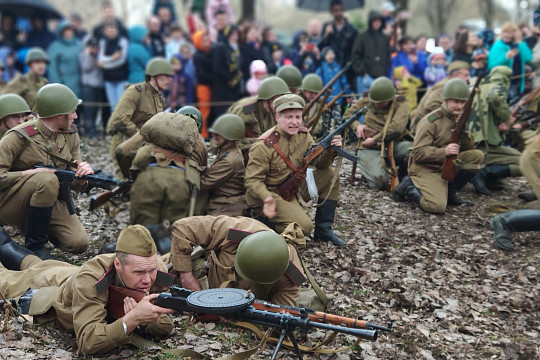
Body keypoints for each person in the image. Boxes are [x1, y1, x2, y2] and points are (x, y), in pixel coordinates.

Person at [0, 225, 176, 355]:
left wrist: (147, 318)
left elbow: (165, 327)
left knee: (36, 265)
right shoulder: (91, 279)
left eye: (151, 270)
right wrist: (131, 320)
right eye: (139, 272)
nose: (147, 279)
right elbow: (88, 343)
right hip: (50, 286)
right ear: (118, 265)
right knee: (7, 279)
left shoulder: (156, 269)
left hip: (71, 275)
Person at [0, 84, 92, 259]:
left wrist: (81, 178)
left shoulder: (70, 135)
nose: (76, 116)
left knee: (79, 243)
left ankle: (36, 227)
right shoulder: (18, 136)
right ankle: (35, 247)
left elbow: (73, 178)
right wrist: (28, 174)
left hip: (46, 201)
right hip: (10, 202)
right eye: (72, 111)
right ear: (58, 114)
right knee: (46, 179)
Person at [245, 94, 346, 246]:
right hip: (269, 196)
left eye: (298, 117)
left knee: (330, 175)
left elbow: (320, 165)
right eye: (289, 117)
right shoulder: (264, 145)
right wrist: (267, 198)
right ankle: (263, 225)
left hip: (292, 189)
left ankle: (323, 230)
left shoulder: (303, 136)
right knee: (304, 227)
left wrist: (331, 149)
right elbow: (252, 181)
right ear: (277, 117)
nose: (295, 122)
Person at [392, 79, 484, 213]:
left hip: (446, 164)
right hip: (426, 167)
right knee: (436, 207)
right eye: (455, 102)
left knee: (477, 156)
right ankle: (408, 187)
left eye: (462, 102)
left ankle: (450, 192)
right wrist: (444, 152)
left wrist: (463, 130)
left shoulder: (458, 118)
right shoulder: (431, 121)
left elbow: (469, 147)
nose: (459, 106)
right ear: (445, 100)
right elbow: (418, 154)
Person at [170, 215, 306, 306]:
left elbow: (282, 312)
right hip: (202, 278)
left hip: (247, 302)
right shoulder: (232, 231)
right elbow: (181, 228)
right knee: (160, 276)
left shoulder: (291, 276)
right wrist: (185, 275)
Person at [129, 113, 201, 241]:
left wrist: (131, 176)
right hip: (181, 180)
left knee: (142, 231)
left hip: (147, 177)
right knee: (174, 231)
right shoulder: (197, 142)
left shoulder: (151, 137)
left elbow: (122, 152)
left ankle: (139, 254)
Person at [106, 57, 173, 178]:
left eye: (170, 76)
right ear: (153, 76)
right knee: (125, 184)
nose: (170, 80)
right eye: (166, 76)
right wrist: (141, 138)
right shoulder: (135, 92)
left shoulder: (159, 98)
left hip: (145, 147)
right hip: (125, 144)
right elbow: (119, 120)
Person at [345, 77, 411, 190]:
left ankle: (404, 176)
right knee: (379, 182)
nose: (376, 104)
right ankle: (374, 170)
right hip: (369, 147)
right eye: (374, 101)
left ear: (389, 98)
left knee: (414, 150)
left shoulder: (401, 102)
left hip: (393, 143)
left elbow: (396, 128)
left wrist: (375, 139)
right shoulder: (368, 98)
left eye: (380, 102)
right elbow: (348, 114)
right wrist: (357, 126)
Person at [468, 66, 523, 195]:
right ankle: (484, 173)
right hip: (484, 144)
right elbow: (495, 97)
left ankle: (492, 179)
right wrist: (506, 119)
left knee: (500, 183)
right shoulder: (497, 86)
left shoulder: (480, 87)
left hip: (473, 141)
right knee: (526, 162)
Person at [227, 76, 290, 157]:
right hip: (236, 154)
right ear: (269, 98)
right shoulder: (245, 110)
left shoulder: (275, 111)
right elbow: (231, 141)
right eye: (279, 100)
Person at [201, 114, 247, 216]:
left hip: (226, 206)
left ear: (229, 137)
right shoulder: (227, 151)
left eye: (218, 134)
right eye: (214, 133)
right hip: (224, 201)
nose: (214, 136)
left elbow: (204, 184)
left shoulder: (229, 160)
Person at [411, 60, 470, 135]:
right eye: (466, 75)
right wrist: (450, 118)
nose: (468, 79)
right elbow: (430, 105)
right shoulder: (445, 86)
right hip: (423, 128)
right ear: (455, 75)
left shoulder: (449, 85)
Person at [318, 0, 358, 90]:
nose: (338, 13)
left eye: (340, 10)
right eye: (336, 10)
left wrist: (355, 71)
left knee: (347, 99)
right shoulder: (327, 27)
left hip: (347, 70)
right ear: (331, 12)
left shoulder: (352, 30)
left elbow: (356, 52)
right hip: (331, 70)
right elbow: (319, 48)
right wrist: (326, 35)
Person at [488, 22, 532, 99]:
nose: (507, 35)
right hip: (503, 84)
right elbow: (492, 66)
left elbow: (528, 58)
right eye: (505, 32)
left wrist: (520, 42)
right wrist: (506, 58)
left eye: (510, 33)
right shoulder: (498, 46)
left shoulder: (517, 45)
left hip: (518, 83)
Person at [351, 10, 391, 94]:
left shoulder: (384, 38)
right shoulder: (362, 37)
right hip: (365, 77)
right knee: (364, 103)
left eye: (379, 21)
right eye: (375, 21)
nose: (377, 23)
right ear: (370, 22)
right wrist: (363, 72)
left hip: (381, 77)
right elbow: (355, 56)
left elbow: (387, 57)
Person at [316, 47, 351, 137]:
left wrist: (348, 94)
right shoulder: (321, 69)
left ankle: (338, 136)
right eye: (328, 54)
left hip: (337, 98)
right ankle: (324, 137)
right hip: (325, 99)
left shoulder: (337, 67)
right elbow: (317, 83)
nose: (331, 56)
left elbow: (344, 82)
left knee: (337, 118)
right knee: (325, 120)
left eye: (332, 54)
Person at [210, 25, 242, 120]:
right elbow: (217, 67)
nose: (235, 37)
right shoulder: (220, 47)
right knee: (223, 113)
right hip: (222, 87)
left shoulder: (237, 48)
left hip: (234, 87)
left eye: (237, 34)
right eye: (232, 34)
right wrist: (228, 79)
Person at [98, 20, 129, 111]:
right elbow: (100, 58)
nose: (112, 30)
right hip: (108, 80)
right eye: (109, 29)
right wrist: (112, 58)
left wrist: (105, 64)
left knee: (121, 106)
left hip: (121, 79)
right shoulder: (103, 42)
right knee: (113, 107)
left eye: (114, 28)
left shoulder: (122, 41)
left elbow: (121, 61)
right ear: (105, 31)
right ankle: (115, 125)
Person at [47, 20, 83, 98]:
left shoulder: (79, 45)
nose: (68, 33)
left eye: (70, 30)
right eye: (65, 31)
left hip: (79, 83)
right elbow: (52, 67)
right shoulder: (55, 47)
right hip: (63, 82)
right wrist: (57, 84)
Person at [79, 36, 105, 138]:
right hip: (88, 86)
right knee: (89, 109)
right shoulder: (83, 56)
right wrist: (88, 54)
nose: (94, 49)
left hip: (99, 86)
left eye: (96, 47)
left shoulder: (99, 56)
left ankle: (94, 128)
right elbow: (85, 67)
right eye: (92, 47)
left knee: (96, 109)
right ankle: (89, 129)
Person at [192, 29, 212, 138]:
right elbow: (202, 74)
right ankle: (203, 134)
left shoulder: (206, 53)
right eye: (203, 39)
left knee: (207, 110)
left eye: (206, 38)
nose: (206, 41)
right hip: (203, 87)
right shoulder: (198, 55)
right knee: (204, 110)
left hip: (207, 86)